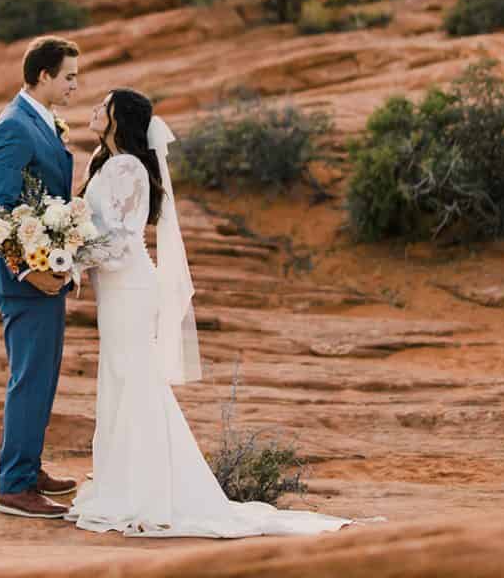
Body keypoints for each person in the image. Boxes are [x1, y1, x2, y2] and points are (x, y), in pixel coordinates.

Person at [64, 88, 353, 538]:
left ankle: (147, 491)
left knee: (134, 377)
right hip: (115, 287)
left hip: (130, 284)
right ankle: (123, 481)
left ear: (121, 118)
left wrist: (71, 256)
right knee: (119, 376)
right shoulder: (105, 160)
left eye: (105, 105)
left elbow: (120, 241)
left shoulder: (128, 168)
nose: (96, 109)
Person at [0, 35, 82, 519]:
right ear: (43, 75)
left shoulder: (39, 120)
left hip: (48, 272)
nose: (74, 87)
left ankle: (28, 466)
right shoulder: (14, 127)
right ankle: (15, 486)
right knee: (30, 378)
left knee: (43, 378)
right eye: (69, 77)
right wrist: (28, 272)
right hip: (24, 280)